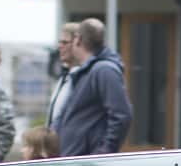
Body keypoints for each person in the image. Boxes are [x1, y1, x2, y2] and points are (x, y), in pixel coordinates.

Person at [52, 17, 132, 156]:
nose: (61, 46)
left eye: (65, 42)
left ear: (78, 39)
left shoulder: (104, 70)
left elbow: (121, 115)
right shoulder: (87, 71)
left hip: (87, 165)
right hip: (75, 161)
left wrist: (102, 154)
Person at [43, 20, 79, 138]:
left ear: (78, 44)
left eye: (65, 42)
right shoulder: (65, 76)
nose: (60, 46)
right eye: (59, 42)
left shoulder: (83, 79)